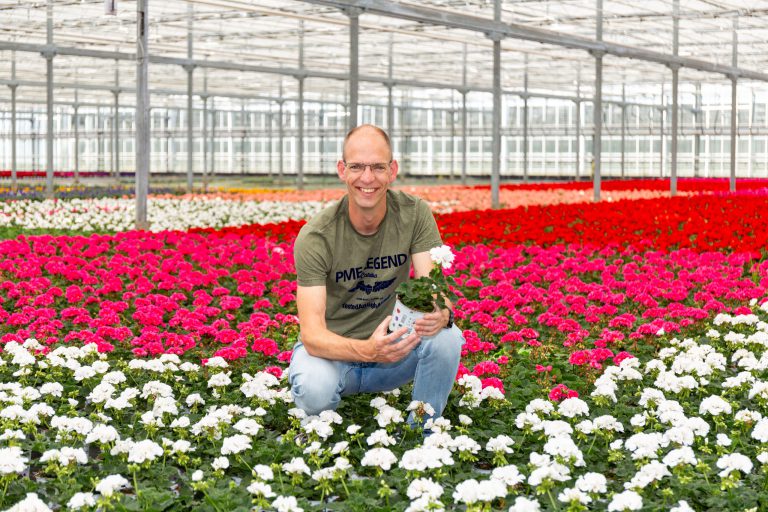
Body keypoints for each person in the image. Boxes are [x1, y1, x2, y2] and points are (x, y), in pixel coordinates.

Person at [288, 124, 464, 426]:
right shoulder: (317, 236)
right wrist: (367, 350)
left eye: (378, 167)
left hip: (393, 351)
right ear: (342, 170)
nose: (367, 178)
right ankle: (321, 430)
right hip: (334, 355)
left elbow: (433, 289)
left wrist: (442, 312)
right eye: (357, 167)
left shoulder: (414, 214)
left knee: (448, 337)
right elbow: (313, 336)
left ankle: (421, 432)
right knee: (314, 389)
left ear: (392, 170)